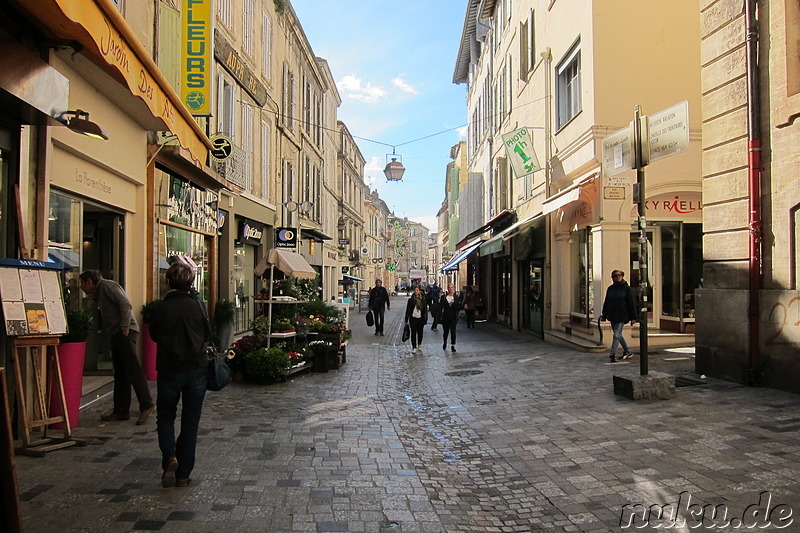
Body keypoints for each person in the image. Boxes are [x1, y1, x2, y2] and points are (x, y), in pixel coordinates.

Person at [148, 262, 209, 488]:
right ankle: (183, 474)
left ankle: (169, 457)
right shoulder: (198, 306)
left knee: (165, 416)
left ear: (168, 281)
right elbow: (207, 334)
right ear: (190, 282)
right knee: (190, 422)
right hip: (196, 370)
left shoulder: (159, 308)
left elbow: (153, 336)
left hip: (169, 369)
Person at [79, 270, 155, 425]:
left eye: (82, 283)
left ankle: (146, 403)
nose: (81, 287)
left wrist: (124, 327)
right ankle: (121, 410)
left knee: (132, 369)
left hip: (123, 332)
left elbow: (125, 303)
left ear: (89, 281)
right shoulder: (99, 292)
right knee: (120, 372)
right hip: (116, 333)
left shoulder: (107, 285)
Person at [600, 269, 638, 363]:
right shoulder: (610, 289)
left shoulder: (627, 289)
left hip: (622, 314)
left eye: (619, 275)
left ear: (622, 276)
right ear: (612, 278)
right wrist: (604, 315)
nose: (618, 277)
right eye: (615, 276)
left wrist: (633, 317)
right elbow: (607, 302)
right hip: (612, 315)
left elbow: (632, 303)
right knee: (619, 335)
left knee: (616, 335)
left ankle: (612, 354)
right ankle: (628, 351)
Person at [405, 286, 429, 354]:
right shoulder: (411, 300)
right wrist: (406, 319)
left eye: (417, 290)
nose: (416, 291)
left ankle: (419, 344)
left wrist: (425, 318)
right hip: (413, 318)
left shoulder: (423, 299)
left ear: (420, 291)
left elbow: (425, 309)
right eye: (415, 290)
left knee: (420, 332)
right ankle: (414, 347)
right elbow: (408, 310)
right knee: (413, 332)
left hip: (420, 318)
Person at [439, 283, 461, 352]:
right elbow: (440, 307)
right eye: (449, 287)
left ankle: (453, 345)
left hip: (453, 317)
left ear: (454, 288)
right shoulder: (444, 297)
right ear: (448, 288)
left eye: (452, 287)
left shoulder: (456, 297)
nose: (451, 289)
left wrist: (463, 307)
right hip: (445, 317)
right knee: (446, 332)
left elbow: (457, 306)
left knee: (453, 331)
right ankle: (445, 342)